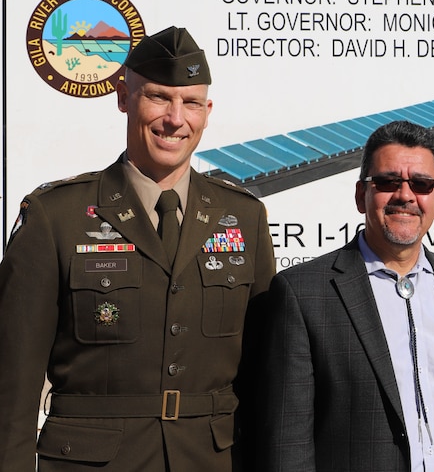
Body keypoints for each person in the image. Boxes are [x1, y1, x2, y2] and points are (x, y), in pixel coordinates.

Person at [0, 26, 275, 471]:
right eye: (158, 97)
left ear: (207, 111)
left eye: (190, 103)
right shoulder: (57, 216)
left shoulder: (243, 215)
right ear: (124, 99)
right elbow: (11, 384)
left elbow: (267, 375)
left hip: (213, 460)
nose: (175, 118)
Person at [255, 120, 434, 471]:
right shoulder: (303, 294)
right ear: (362, 195)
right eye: (388, 181)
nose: (405, 195)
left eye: (421, 184)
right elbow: (289, 445)